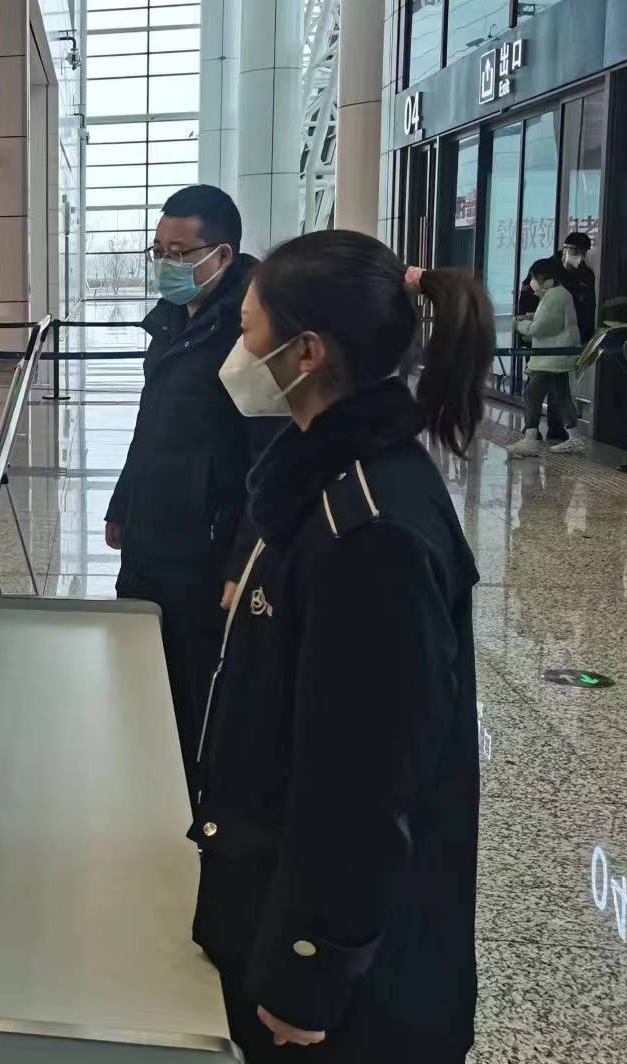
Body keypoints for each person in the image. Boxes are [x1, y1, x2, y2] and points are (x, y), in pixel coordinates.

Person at [196, 230, 488, 1062]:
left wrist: (310, 965)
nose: (237, 353)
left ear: (307, 351)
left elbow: (361, 781)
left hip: (357, 985)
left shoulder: (369, 531)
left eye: (248, 330)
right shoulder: (322, 480)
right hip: (271, 880)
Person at [105, 185, 277, 781]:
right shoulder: (173, 318)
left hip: (207, 544)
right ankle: (140, 780)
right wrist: (122, 501)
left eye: (179, 253)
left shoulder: (253, 330)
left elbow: (267, 457)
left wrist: (242, 560)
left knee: (194, 683)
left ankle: (189, 794)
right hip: (150, 532)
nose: (165, 265)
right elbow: (151, 421)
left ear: (222, 254)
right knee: (137, 662)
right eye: (158, 251)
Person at [512, 256, 585, 457]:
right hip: (556, 357)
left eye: (535, 278)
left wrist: (520, 324)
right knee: (562, 396)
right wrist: (531, 318)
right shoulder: (558, 295)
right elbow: (549, 322)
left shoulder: (555, 296)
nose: (532, 283)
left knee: (531, 392)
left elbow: (541, 328)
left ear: (548, 280)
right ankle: (575, 437)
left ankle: (530, 439)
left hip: (550, 359)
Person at [560, 231, 597, 342]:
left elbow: (590, 307)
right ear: (565, 249)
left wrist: (588, 336)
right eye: (576, 251)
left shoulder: (587, 274)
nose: (580, 256)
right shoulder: (547, 268)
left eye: (583, 252)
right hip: (553, 333)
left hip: (578, 334)